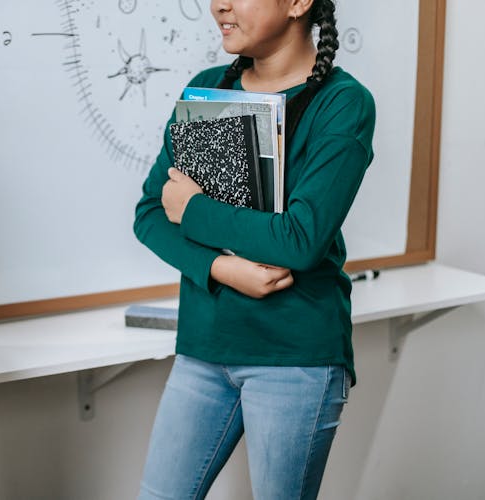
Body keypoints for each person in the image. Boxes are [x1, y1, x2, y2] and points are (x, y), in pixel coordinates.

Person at [134, 0, 375, 498]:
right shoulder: (209, 88)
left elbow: (301, 240)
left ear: (297, 3)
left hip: (294, 358)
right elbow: (152, 214)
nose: (218, 4)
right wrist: (222, 267)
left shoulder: (342, 102)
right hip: (204, 347)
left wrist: (195, 209)